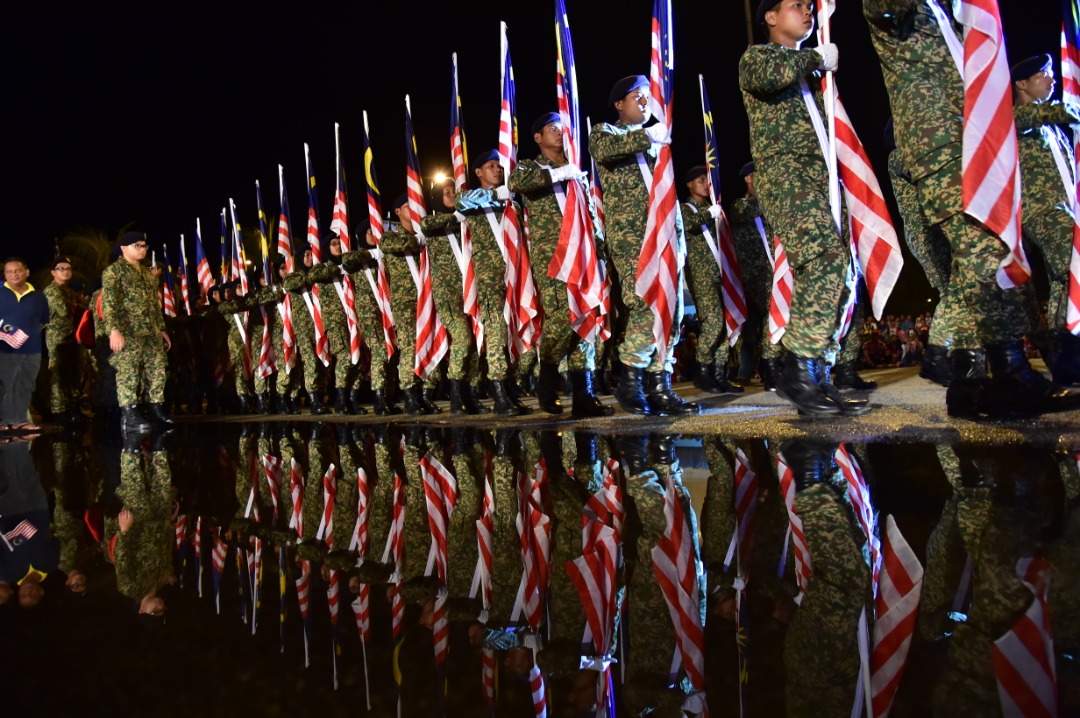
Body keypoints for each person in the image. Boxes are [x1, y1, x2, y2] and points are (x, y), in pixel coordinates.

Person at [863, 0, 1080, 418]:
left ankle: (969, 382)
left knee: (977, 270)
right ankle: (1009, 373)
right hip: (942, 151)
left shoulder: (946, 14)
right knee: (989, 260)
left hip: (968, 149)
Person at [740, 0, 867, 417]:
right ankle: (796, 366)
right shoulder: (759, 57)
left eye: (810, 7)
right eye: (797, 5)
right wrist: (815, 56)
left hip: (824, 178)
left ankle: (815, 372)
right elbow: (767, 77)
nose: (807, 12)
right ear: (771, 17)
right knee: (824, 258)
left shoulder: (812, 72)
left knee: (843, 272)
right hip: (785, 174)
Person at [589, 76, 698, 416]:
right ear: (619, 104)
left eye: (648, 97)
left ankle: (660, 386)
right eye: (637, 97)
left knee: (671, 309)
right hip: (633, 235)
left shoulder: (656, 142)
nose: (645, 102)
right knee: (644, 305)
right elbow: (602, 151)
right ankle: (630, 380)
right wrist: (648, 136)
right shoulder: (606, 133)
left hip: (666, 233)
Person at [508, 113, 613, 417]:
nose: (559, 132)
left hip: (583, 256)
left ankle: (584, 395)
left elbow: (589, 212)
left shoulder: (575, 170)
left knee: (585, 318)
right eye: (551, 128)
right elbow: (517, 183)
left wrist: (600, 249)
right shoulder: (532, 166)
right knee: (560, 319)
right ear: (538, 137)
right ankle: (547, 378)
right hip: (553, 257)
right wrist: (558, 175)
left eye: (562, 127)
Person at [1012, 54, 1080, 385]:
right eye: (1044, 74)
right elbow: (1037, 114)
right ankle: (1068, 358)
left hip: (1066, 209)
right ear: (1022, 83)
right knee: (1072, 266)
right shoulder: (1015, 117)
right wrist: (1073, 107)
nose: (1052, 80)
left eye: (1053, 74)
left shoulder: (1052, 129)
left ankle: (1061, 359)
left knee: (1063, 282)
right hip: (1041, 212)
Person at [455, 151, 534, 415]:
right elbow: (461, 202)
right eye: (491, 166)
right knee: (497, 332)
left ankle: (511, 390)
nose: (498, 170)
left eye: (500, 166)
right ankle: (499, 392)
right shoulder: (473, 198)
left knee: (513, 330)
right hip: (489, 276)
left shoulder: (511, 200)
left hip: (515, 272)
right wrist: (494, 195)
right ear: (478, 172)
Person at [418, 186, 487, 414]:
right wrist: (456, 216)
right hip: (448, 293)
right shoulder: (433, 223)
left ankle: (470, 395)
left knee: (475, 344)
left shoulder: (463, 222)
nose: (452, 194)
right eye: (447, 192)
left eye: (454, 190)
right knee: (464, 339)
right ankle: (456, 394)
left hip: (469, 288)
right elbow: (425, 226)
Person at [680, 164, 744, 394]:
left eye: (707, 180)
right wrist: (709, 214)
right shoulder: (685, 208)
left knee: (725, 324)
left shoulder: (714, 209)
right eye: (699, 180)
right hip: (701, 275)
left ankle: (719, 372)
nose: (705, 184)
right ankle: (703, 370)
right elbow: (688, 226)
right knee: (713, 323)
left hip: (721, 272)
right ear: (689, 184)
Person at [101, 231, 173, 432]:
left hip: (150, 332)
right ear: (124, 248)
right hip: (128, 331)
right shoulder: (114, 272)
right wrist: (113, 330)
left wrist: (161, 329)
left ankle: (156, 408)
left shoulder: (146, 274)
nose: (142, 250)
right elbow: (109, 304)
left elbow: (153, 305)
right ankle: (130, 413)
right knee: (128, 372)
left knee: (157, 369)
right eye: (137, 246)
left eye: (144, 246)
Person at [730, 161, 784, 389]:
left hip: (772, 270)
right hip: (754, 273)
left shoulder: (769, 204)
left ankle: (767, 367)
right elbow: (753, 211)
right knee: (765, 318)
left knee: (763, 322)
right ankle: (767, 367)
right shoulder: (740, 206)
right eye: (756, 175)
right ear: (748, 179)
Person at [0, 257, 49, 432]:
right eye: (9, 272)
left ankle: (19, 420)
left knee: (25, 384)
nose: (14, 274)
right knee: (5, 384)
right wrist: (8, 331)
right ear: (5, 275)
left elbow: (44, 321)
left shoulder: (38, 296)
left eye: (18, 270)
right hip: (5, 349)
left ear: (27, 272)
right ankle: (2, 421)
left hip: (32, 350)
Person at [42, 256, 85, 423]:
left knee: (74, 372)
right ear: (53, 272)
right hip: (58, 338)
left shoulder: (68, 291)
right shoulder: (52, 290)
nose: (65, 271)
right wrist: (78, 308)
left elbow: (81, 309)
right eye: (61, 268)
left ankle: (72, 407)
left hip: (73, 336)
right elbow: (64, 311)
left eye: (68, 268)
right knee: (59, 373)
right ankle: (59, 410)